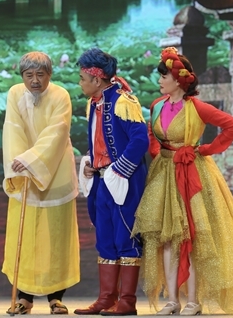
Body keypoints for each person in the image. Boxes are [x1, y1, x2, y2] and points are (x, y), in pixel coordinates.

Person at [132, 47, 233, 315]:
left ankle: (193, 301)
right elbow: (152, 134)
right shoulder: (157, 105)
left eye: (164, 75)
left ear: (179, 79)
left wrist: (205, 149)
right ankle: (172, 300)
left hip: (191, 173)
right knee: (165, 238)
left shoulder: (196, 107)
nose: (160, 80)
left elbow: (232, 125)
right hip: (164, 173)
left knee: (189, 237)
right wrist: (158, 152)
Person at [1, 51, 80, 315]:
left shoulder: (61, 95)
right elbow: (12, 129)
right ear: (22, 76)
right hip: (24, 173)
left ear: (49, 75)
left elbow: (57, 133)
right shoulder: (15, 93)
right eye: (29, 75)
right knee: (25, 237)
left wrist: (32, 159)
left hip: (55, 171)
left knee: (56, 237)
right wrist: (21, 162)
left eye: (40, 75)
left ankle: (56, 298)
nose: (35, 80)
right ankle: (24, 298)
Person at [74, 48, 149, 316]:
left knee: (126, 236)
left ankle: (127, 301)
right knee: (104, 238)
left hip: (123, 181)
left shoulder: (123, 101)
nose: (80, 83)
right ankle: (106, 298)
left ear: (96, 79)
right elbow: (99, 142)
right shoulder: (93, 104)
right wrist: (90, 162)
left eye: (83, 78)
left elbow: (140, 140)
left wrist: (120, 170)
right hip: (101, 181)